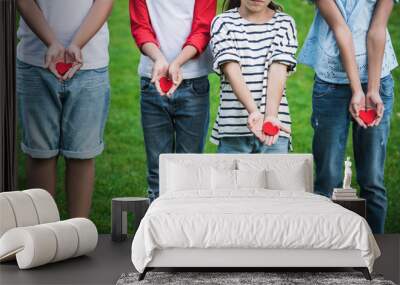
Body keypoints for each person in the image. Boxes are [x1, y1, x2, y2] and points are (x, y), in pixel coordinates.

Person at [299, 0, 398, 233]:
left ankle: (376, 257)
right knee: (327, 179)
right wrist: (356, 89)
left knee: (372, 181)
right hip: (331, 85)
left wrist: (371, 90)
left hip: (378, 80)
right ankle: (327, 255)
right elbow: (341, 29)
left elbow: (377, 29)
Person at [16, 0, 113, 218]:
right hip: (35, 61)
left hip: (90, 65)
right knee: (40, 153)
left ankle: (77, 234)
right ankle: (42, 234)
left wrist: (76, 44)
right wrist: (51, 42)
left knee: (82, 154)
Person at [130, 0, 217, 201]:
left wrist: (177, 62)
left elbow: (203, 29)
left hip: (193, 82)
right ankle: (157, 228)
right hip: (153, 81)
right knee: (157, 169)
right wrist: (159, 59)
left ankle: (187, 226)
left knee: (190, 167)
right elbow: (140, 27)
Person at [210, 0, 298, 154]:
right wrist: (254, 113)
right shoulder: (222, 23)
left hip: (274, 130)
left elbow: (278, 68)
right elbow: (231, 70)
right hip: (233, 130)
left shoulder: (285, 23)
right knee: (233, 179)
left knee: (275, 178)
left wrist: (270, 116)